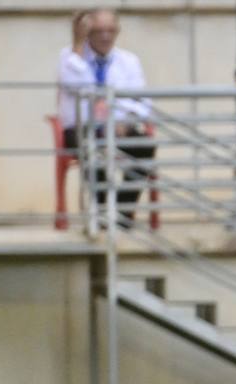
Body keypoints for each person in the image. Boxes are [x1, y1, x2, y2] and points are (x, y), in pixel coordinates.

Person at [56, 8, 156, 227]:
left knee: (145, 146)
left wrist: (123, 119)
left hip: (118, 127)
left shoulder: (129, 61)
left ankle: (121, 214)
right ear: (86, 32)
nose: (105, 36)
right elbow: (75, 86)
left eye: (110, 30)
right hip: (81, 129)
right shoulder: (69, 57)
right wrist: (77, 47)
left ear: (118, 31)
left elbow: (143, 102)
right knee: (95, 148)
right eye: (98, 30)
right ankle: (103, 215)